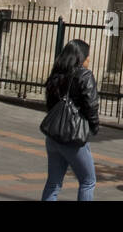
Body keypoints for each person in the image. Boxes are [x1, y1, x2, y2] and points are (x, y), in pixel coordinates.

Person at [41, 39, 100, 201]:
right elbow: (91, 104)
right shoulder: (84, 75)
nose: (89, 60)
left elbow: (50, 104)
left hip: (53, 136)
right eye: (88, 56)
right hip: (73, 137)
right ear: (81, 58)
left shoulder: (57, 74)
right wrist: (94, 126)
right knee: (88, 181)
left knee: (53, 183)